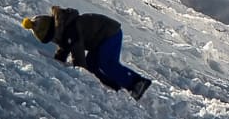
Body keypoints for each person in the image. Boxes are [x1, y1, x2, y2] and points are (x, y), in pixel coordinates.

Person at [22, 6, 152, 100]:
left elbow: (78, 55)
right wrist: (57, 62)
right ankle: (116, 87)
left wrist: (80, 74)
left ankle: (137, 83)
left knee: (106, 63)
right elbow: (64, 48)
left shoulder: (70, 31)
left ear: (53, 31)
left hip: (110, 33)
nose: (54, 41)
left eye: (52, 38)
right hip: (99, 40)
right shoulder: (63, 29)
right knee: (92, 66)